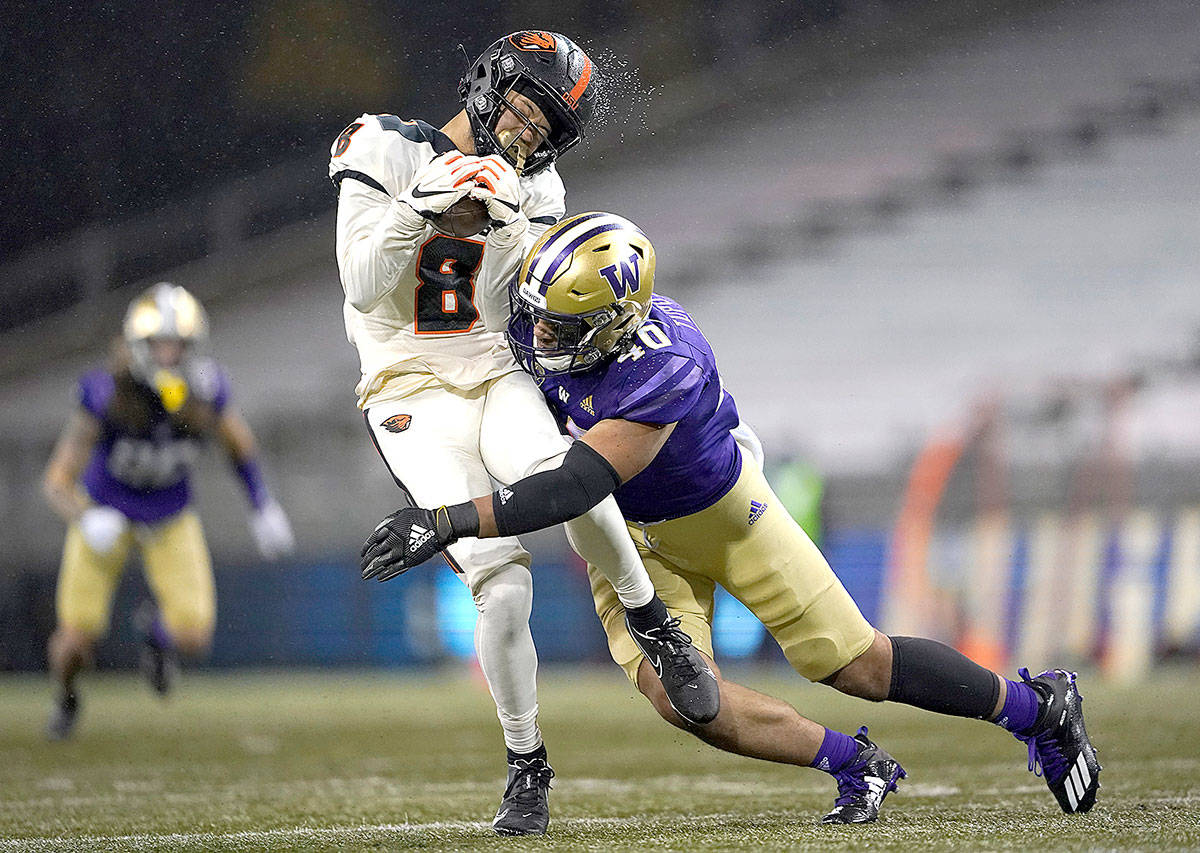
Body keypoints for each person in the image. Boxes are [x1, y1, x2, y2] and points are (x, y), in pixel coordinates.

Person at [360, 213, 1103, 823]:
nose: (539, 338)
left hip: (723, 515)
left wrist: (447, 518)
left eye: (562, 328)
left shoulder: (663, 362)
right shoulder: (542, 323)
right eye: (539, 320)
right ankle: (856, 764)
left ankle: (1037, 707)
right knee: (687, 700)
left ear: (614, 322)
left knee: (858, 665)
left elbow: (575, 485)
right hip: (632, 545)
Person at [329, 32, 717, 836]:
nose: (529, 129)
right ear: (489, 81)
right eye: (525, 105)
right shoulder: (382, 145)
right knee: (503, 583)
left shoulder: (539, 187)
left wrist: (506, 223)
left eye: (548, 124)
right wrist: (421, 206)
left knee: (567, 474)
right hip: (407, 386)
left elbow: (529, 307)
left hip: (494, 371)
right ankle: (526, 759)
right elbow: (365, 287)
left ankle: (654, 623)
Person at [42, 282, 295, 740]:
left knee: (193, 635)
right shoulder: (106, 393)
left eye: (178, 344)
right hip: (107, 514)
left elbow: (239, 447)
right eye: (159, 344)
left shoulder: (205, 391)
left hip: (169, 515)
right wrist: (85, 516)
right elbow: (56, 481)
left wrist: (263, 506)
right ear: (137, 346)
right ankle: (66, 697)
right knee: (75, 641)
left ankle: (156, 642)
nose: (169, 355)